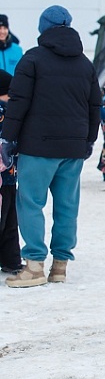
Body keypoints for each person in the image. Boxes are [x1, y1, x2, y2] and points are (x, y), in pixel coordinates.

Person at [2, 5, 101, 287]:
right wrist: (89, 139)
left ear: (43, 28)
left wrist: (8, 139)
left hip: (38, 146)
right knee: (67, 205)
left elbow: (18, 102)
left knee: (31, 202)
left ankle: (34, 266)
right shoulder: (85, 64)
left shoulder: (33, 59)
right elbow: (95, 105)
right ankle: (59, 266)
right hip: (73, 148)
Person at [0, 69, 22, 275]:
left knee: (9, 220)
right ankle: (11, 260)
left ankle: (11, 259)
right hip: (7, 175)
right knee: (7, 221)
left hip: (8, 176)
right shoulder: (5, 112)